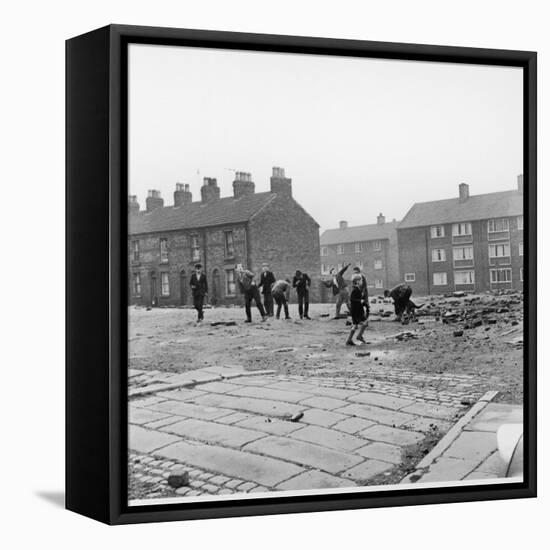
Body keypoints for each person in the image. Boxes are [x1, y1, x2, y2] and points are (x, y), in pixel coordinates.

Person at [346, 274, 368, 345]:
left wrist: (364, 303)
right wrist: (360, 301)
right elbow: (352, 299)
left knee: (355, 325)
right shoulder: (355, 290)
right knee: (365, 322)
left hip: (357, 309)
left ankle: (350, 339)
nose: (362, 281)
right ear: (357, 281)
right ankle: (359, 336)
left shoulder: (358, 289)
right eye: (361, 280)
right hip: (356, 311)